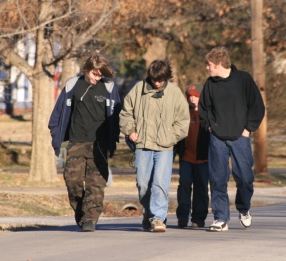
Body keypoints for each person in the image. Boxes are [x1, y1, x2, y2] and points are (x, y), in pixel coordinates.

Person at [48, 54, 121, 232]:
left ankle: (90, 218)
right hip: (76, 141)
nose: (97, 78)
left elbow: (118, 114)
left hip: (100, 144)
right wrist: (55, 132)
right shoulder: (73, 85)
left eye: (100, 75)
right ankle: (81, 212)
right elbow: (58, 112)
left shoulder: (109, 88)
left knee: (95, 184)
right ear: (87, 69)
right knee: (72, 181)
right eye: (95, 74)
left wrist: (115, 138)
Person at [198, 47, 265, 232]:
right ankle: (220, 218)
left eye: (209, 65)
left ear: (219, 64)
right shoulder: (210, 84)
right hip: (217, 138)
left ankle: (244, 209)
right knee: (218, 178)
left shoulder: (243, 79)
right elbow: (204, 109)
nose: (207, 68)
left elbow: (257, 106)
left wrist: (248, 129)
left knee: (244, 178)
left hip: (240, 137)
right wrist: (210, 126)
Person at [119, 60, 190, 233]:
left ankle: (158, 217)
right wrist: (130, 130)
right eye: (154, 80)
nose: (157, 83)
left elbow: (183, 121)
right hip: (143, 145)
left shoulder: (175, 93)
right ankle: (148, 213)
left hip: (165, 147)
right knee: (143, 184)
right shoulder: (138, 89)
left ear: (167, 78)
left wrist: (170, 137)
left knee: (160, 182)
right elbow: (126, 113)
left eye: (161, 80)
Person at [176, 83, 210, 228]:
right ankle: (183, 217)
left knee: (201, 188)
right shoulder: (183, 114)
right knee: (184, 185)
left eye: (195, 96)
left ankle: (198, 218)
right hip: (186, 157)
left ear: (200, 97)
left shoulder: (207, 114)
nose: (192, 99)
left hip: (203, 158)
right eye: (190, 96)